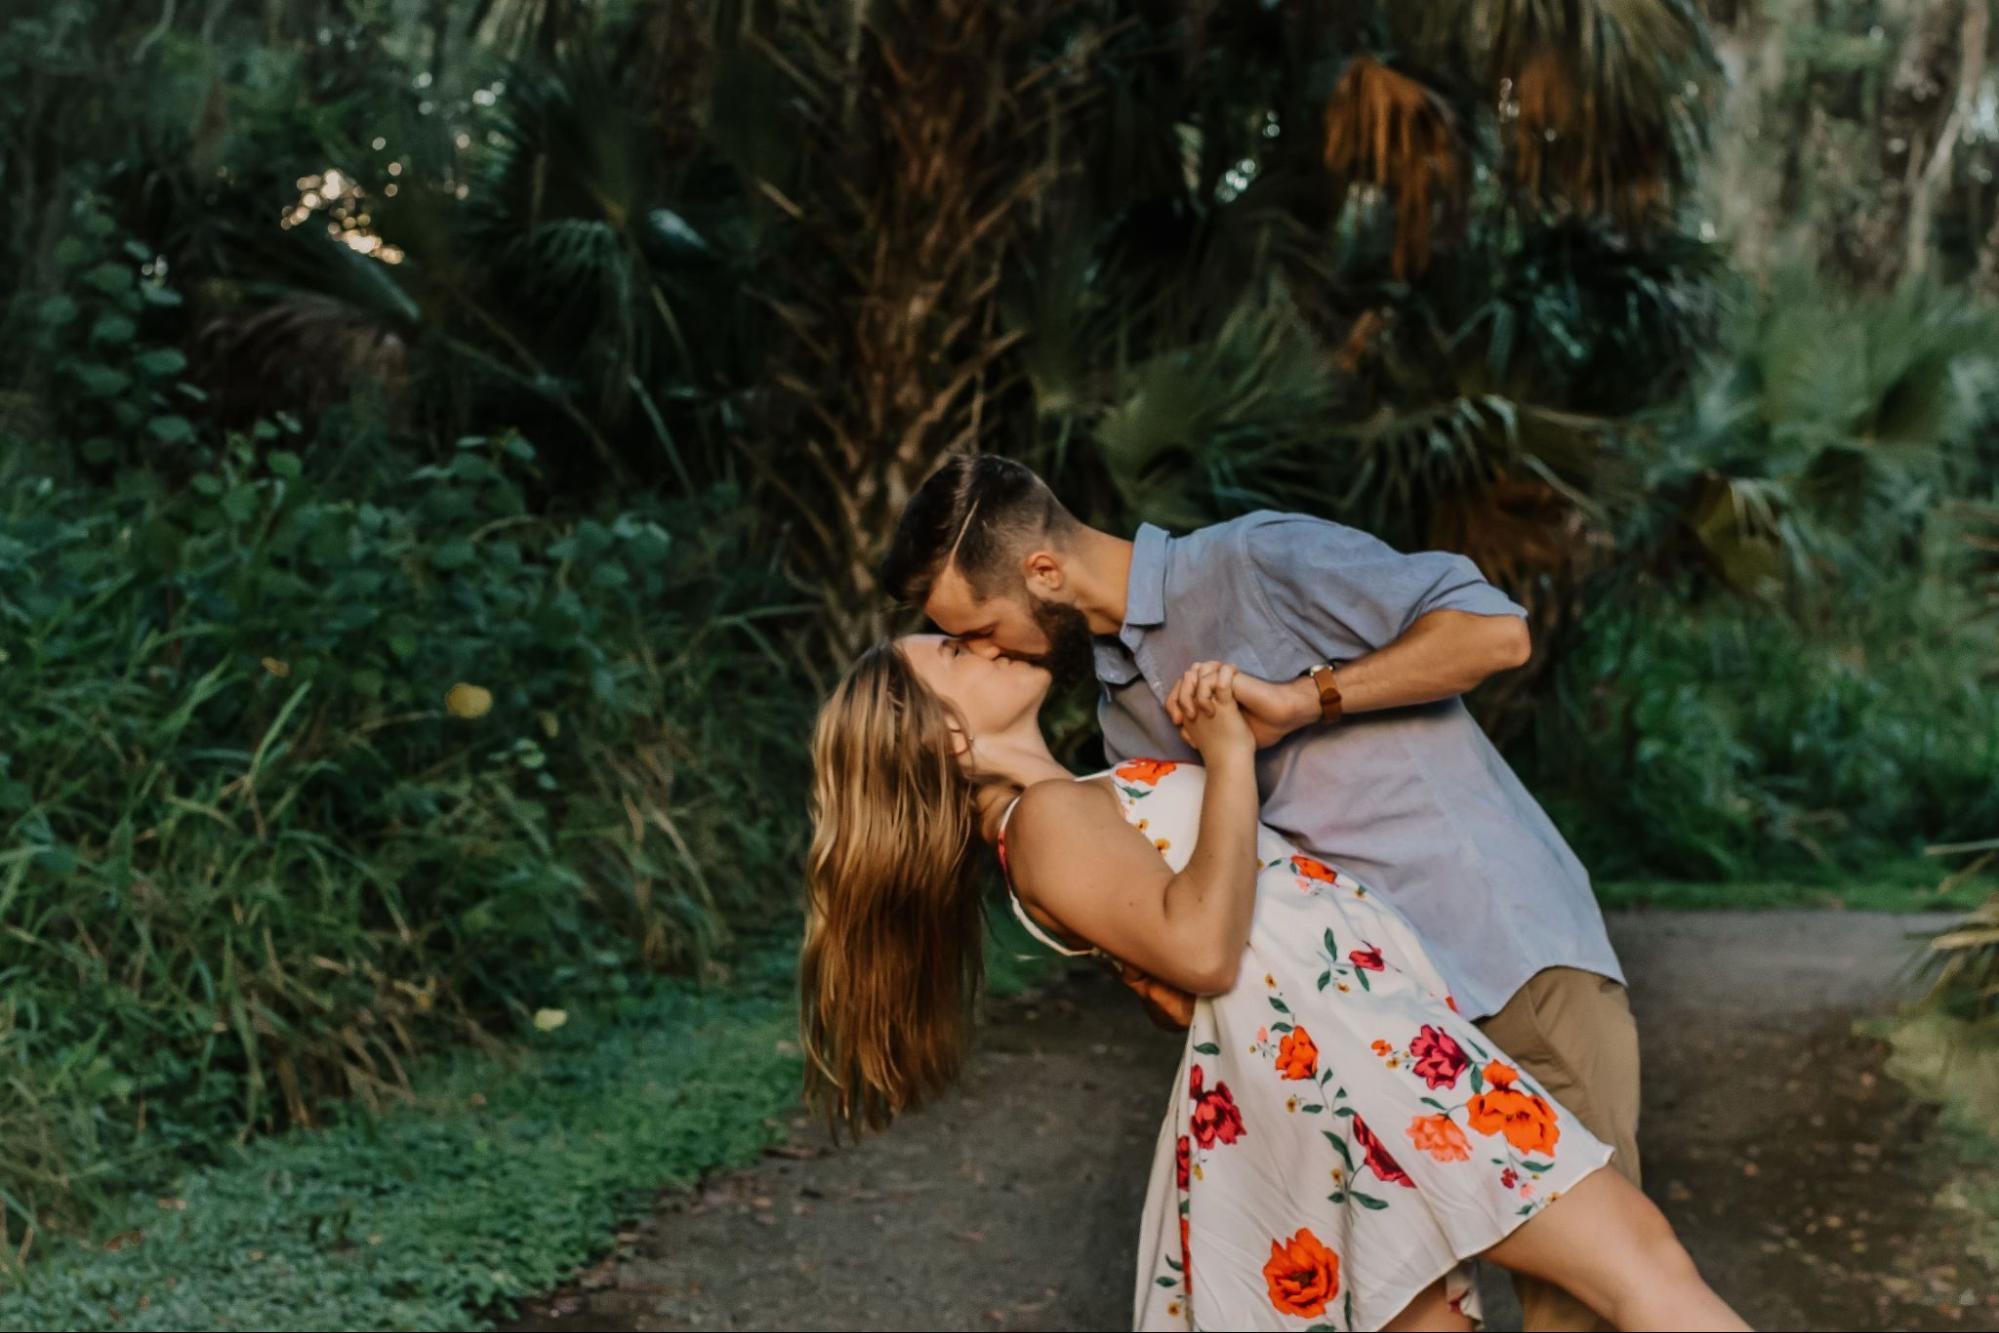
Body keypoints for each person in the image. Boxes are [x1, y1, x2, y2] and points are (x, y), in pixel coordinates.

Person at [881, 456, 1639, 1332]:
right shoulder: (1122, 718)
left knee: (1586, 1303)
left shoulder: (1253, 561)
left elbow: (1493, 632)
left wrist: (1303, 697)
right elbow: (1214, 907)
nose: (985, 651)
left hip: (1501, 962)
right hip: (1373, 1034)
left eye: (977, 629)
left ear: (1041, 573)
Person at [799, 637, 1747, 1331]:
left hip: (1344, 1060)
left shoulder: (1069, 805)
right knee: (1643, 1268)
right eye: (956, 651)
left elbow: (1182, 949)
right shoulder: (1042, 821)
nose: (988, 642)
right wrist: (1224, 753)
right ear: (950, 741)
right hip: (1361, 1067)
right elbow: (1206, 948)